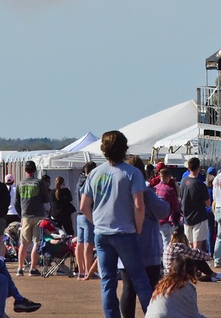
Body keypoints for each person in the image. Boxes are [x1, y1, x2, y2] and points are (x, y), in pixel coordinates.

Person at [79, 130, 153, 318]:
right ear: (124, 148)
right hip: (125, 232)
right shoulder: (132, 173)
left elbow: (83, 206)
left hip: (102, 233)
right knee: (140, 280)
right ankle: (153, 314)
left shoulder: (95, 173)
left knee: (108, 281)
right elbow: (139, 205)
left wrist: (97, 222)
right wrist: (138, 227)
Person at [119, 156, 172, 318]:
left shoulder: (120, 191)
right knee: (149, 290)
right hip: (147, 248)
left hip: (125, 247)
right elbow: (163, 211)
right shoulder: (145, 191)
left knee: (128, 289)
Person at [15, 160, 50, 277]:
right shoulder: (39, 183)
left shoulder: (20, 183)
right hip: (38, 215)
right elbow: (46, 199)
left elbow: (16, 202)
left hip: (25, 216)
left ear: (25, 170)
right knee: (37, 242)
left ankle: (20, 268)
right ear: (35, 170)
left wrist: (21, 215)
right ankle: (33, 268)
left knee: (23, 243)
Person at [178, 158, 209, 252]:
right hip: (199, 217)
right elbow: (207, 203)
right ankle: (195, 265)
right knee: (197, 248)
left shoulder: (183, 181)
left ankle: (190, 265)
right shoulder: (200, 184)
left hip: (186, 217)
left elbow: (180, 198)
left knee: (190, 247)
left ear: (188, 167)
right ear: (198, 167)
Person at [74, 161, 98, 281]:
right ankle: (89, 271)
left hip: (79, 216)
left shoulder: (79, 182)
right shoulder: (89, 182)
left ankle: (81, 271)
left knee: (80, 243)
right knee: (89, 244)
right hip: (88, 214)